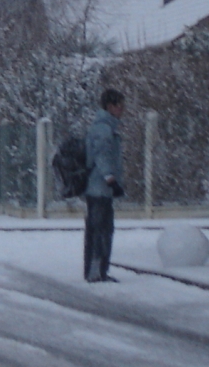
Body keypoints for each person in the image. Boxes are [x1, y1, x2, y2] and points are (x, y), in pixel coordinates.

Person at [84, 88, 125, 283]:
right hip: (99, 188)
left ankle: (97, 270)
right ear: (110, 106)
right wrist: (111, 179)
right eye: (119, 105)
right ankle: (96, 271)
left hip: (99, 188)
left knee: (99, 230)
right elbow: (101, 155)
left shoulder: (106, 126)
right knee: (101, 230)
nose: (122, 109)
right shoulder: (103, 128)